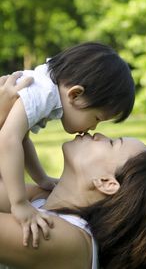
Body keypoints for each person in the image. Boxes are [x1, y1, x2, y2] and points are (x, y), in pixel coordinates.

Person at [0, 76, 146, 269]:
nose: (99, 134)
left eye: (112, 143)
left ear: (106, 182)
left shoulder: (69, 242)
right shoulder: (43, 199)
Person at [0, 42, 135, 247]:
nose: (93, 128)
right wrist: (19, 203)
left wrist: (42, 179)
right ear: (75, 94)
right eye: (97, 118)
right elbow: (8, 140)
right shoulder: (43, 93)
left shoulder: (46, 88)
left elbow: (21, 139)